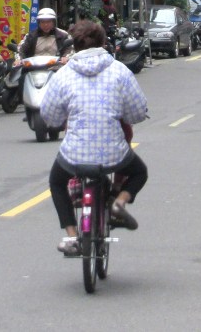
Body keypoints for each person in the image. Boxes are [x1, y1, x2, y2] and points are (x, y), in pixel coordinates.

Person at [40, 19, 149, 256]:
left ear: (75, 46)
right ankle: (119, 202)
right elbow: (138, 111)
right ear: (103, 42)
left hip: (74, 156)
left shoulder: (63, 75)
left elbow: (49, 115)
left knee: (57, 181)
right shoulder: (120, 71)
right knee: (140, 171)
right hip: (114, 154)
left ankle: (71, 236)